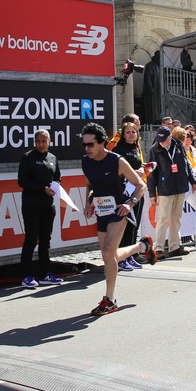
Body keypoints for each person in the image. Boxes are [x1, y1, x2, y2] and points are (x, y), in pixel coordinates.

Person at [81, 122, 154, 316]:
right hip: (101, 212)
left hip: (120, 211)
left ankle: (110, 299)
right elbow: (89, 185)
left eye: (90, 144)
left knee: (107, 252)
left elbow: (140, 185)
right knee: (108, 256)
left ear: (102, 143)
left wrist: (130, 204)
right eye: (84, 145)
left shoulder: (117, 161)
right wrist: (88, 203)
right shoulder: (86, 161)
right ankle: (142, 246)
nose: (87, 148)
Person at [17, 130, 64, 288]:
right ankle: (26, 275)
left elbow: (57, 177)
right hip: (31, 204)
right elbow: (22, 181)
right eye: (38, 141)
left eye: (44, 141)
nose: (41, 144)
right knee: (31, 239)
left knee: (45, 240)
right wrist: (42, 188)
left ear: (49, 141)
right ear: (34, 142)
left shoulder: (53, 158)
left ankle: (44, 274)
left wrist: (55, 186)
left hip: (48, 205)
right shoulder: (27, 157)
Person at [147, 125, 196, 259]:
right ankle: (158, 248)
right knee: (163, 218)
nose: (161, 142)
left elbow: (186, 164)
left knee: (177, 218)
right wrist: (152, 193)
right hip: (165, 188)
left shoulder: (179, 145)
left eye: (164, 139)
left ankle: (174, 246)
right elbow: (151, 173)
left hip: (180, 186)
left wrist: (192, 181)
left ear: (170, 137)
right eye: (159, 140)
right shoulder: (154, 150)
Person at [112, 121, 148, 270]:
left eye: (133, 132)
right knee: (124, 226)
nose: (131, 135)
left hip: (137, 191)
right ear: (123, 135)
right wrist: (133, 173)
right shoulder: (118, 150)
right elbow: (117, 171)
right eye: (127, 132)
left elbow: (136, 166)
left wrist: (143, 169)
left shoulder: (136, 148)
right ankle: (121, 258)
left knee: (134, 225)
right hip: (125, 192)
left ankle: (130, 256)